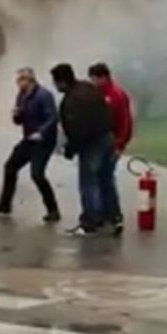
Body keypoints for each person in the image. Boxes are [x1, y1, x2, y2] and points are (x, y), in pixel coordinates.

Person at [0, 68, 61, 222]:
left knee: (37, 175)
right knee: (10, 166)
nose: (18, 83)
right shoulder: (22, 95)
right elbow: (19, 120)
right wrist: (17, 116)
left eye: (21, 79)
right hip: (29, 139)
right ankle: (5, 204)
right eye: (18, 80)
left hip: (43, 141)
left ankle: (53, 210)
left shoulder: (44, 95)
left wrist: (41, 132)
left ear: (30, 80)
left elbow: (53, 117)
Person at [50, 63, 113, 236]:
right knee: (105, 181)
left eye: (55, 82)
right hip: (106, 138)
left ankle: (89, 222)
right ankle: (109, 216)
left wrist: (70, 149)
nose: (55, 86)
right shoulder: (89, 88)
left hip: (92, 144)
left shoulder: (72, 101)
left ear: (62, 82)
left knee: (88, 182)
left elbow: (79, 130)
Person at [88, 62, 133, 235]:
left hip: (112, 143)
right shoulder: (96, 94)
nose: (92, 82)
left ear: (103, 77)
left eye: (94, 78)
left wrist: (120, 144)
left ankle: (113, 214)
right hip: (99, 143)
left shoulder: (116, 95)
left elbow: (125, 121)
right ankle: (103, 213)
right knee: (100, 178)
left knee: (105, 179)